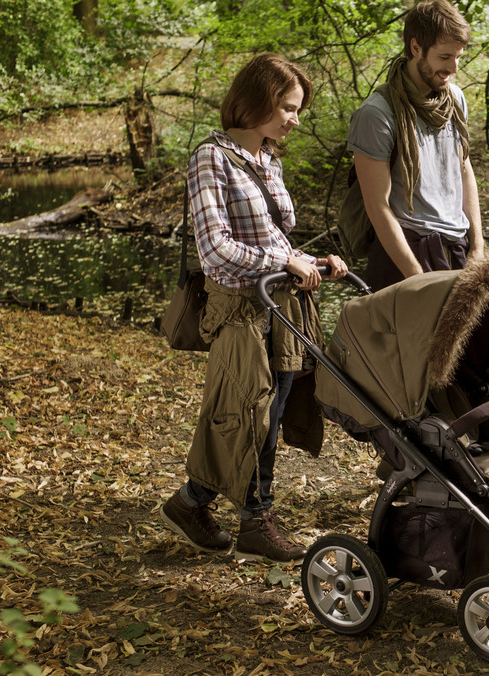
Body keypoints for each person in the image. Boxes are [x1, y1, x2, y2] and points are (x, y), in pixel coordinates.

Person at [160, 53, 348, 563]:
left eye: (298, 109)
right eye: (288, 107)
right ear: (259, 101)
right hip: (240, 308)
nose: (295, 118)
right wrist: (284, 261)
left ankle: (201, 504)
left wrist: (313, 260)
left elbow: (277, 240)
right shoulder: (211, 158)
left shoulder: (269, 160)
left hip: (282, 304)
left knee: (276, 409)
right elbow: (215, 250)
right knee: (247, 412)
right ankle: (252, 518)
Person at [347, 0, 484, 291]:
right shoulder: (377, 114)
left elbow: (464, 169)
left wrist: (477, 246)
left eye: (459, 56)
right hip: (402, 253)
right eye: (445, 56)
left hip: (456, 247)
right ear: (415, 47)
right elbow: (377, 205)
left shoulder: (455, 99)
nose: (453, 67)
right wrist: (415, 275)